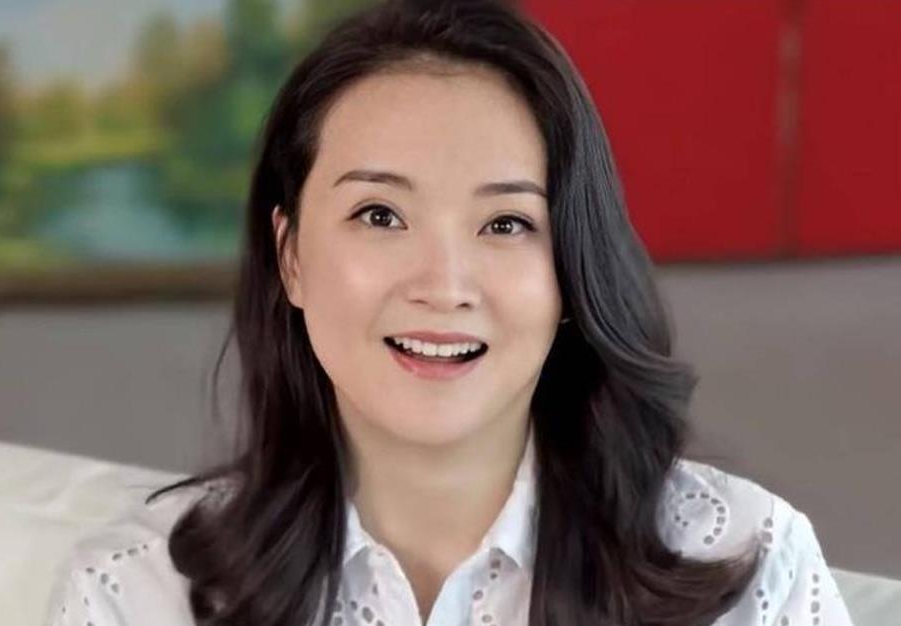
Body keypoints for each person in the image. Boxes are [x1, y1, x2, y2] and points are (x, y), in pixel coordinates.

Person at [44, 0, 855, 624]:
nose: (443, 285)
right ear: (290, 256)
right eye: (379, 215)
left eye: (504, 224)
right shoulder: (138, 591)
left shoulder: (749, 566)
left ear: (571, 270)